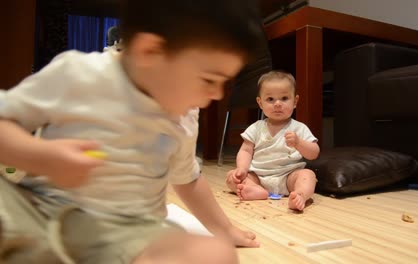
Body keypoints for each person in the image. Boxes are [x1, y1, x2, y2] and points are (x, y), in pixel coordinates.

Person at [0, 0, 265, 263]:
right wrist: (40, 156)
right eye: (209, 80)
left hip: (128, 235)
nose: (217, 94)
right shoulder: (78, 74)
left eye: (223, 83)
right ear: (150, 51)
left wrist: (225, 230)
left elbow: (188, 180)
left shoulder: (184, 114)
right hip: (38, 212)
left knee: (216, 255)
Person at [225, 71, 320, 211]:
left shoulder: (299, 128)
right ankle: (255, 190)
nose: (277, 104)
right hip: (258, 176)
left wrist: (299, 143)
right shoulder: (256, 128)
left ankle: (299, 196)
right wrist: (242, 169)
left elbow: (314, 153)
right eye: (270, 99)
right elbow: (245, 150)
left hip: (288, 177)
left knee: (308, 175)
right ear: (260, 103)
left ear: (295, 102)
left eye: (284, 98)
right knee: (230, 177)